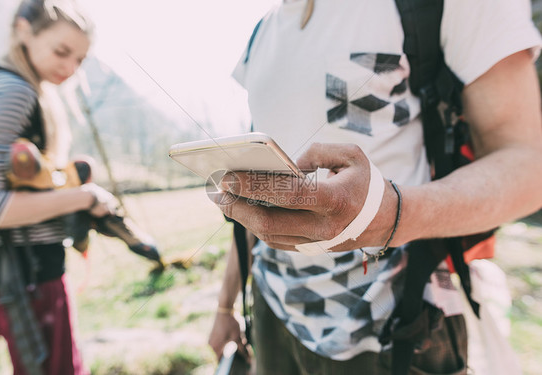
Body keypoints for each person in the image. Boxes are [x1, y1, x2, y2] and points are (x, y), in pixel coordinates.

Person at [209, 0, 542, 374]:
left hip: (396, 322)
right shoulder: (261, 35)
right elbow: (260, 195)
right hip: (272, 312)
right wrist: (226, 305)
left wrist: (392, 214)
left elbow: (529, 166)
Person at [0, 1, 115, 374]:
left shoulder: (12, 86)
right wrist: (85, 197)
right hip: (25, 279)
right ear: (24, 30)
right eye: (62, 52)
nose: (70, 69)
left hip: (23, 274)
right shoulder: (12, 91)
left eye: (80, 60)